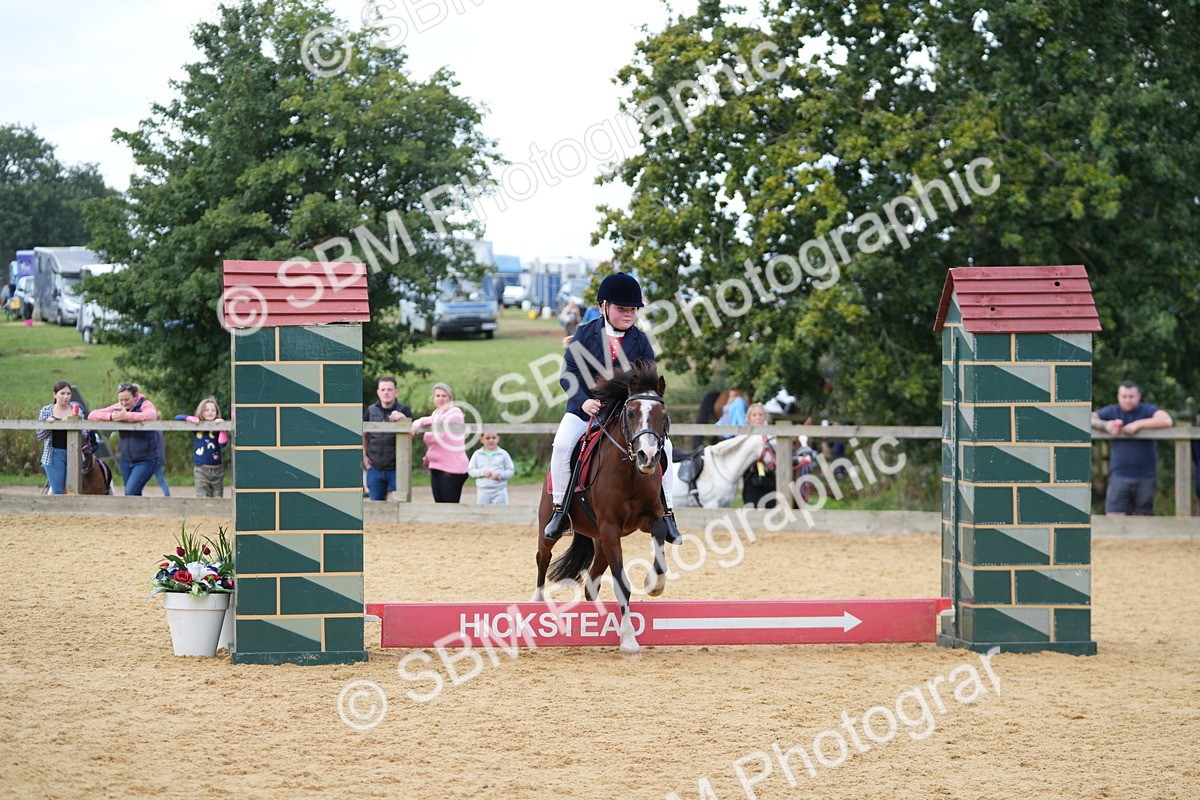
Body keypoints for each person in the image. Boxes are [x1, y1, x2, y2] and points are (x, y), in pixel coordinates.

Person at [543, 271, 682, 543]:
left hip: (626, 414)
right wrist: (583, 400)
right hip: (586, 410)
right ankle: (560, 511)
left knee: (666, 447)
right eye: (622, 309)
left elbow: (649, 381)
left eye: (633, 310)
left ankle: (667, 514)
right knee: (561, 445)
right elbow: (568, 374)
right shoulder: (585, 334)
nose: (628, 315)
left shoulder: (640, 340)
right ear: (603, 307)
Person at [1091, 380, 1174, 516]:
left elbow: (1166, 420)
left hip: (1146, 476)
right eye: (1124, 396)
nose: (1127, 400)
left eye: (1131, 396)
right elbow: (1090, 418)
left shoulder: (1146, 410)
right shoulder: (1112, 411)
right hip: (1119, 475)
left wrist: (1138, 424)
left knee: (1142, 517)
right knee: (1113, 516)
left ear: (1138, 396)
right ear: (1118, 396)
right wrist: (1105, 425)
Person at [88, 382, 162, 496]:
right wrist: (111, 416)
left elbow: (151, 416)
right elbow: (92, 415)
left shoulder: (145, 404)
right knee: (133, 494)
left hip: (146, 459)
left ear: (135, 396)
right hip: (126, 459)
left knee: (130, 491)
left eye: (126, 400)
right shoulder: (119, 407)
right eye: (121, 400)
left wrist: (126, 416)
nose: (123, 403)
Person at [410, 382, 469, 503]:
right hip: (436, 466)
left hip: (452, 468)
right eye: (437, 396)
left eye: (444, 396)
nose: (440, 398)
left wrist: (420, 421)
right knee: (439, 505)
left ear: (450, 398)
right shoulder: (436, 413)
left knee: (449, 506)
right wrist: (427, 459)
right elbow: (434, 441)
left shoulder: (455, 412)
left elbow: (440, 421)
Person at [362, 376, 413, 502]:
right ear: (378, 392)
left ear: (396, 391)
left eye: (389, 389)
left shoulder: (404, 410)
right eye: (383, 389)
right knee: (376, 506)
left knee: (401, 505)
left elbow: (412, 434)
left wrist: (403, 419)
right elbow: (363, 434)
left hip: (397, 468)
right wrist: (364, 456)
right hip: (374, 468)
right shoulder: (371, 410)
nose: (386, 392)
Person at [36, 381, 89, 494]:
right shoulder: (46, 410)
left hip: (74, 453)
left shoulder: (76, 410)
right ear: (54, 395)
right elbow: (40, 436)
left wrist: (72, 422)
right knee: (58, 490)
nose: (66, 397)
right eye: (62, 393)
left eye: (68, 394)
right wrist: (49, 426)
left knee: (72, 490)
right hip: (53, 454)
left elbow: (84, 434)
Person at [176, 397, 229, 497]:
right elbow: (178, 417)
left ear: (217, 412)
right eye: (206, 410)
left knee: (218, 498)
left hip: (217, 470)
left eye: (213, 410)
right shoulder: (197, 426)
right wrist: (192, 419)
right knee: (203, 497)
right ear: (201, 412)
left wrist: (222, 428)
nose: (210, 412)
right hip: (201, 469)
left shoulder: (217, 427)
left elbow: (222, 444)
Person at [741, 403, 778, 509]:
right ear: (749, 419)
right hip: (751, 480)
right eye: (754, 415)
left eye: (760, 415)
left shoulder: (771, 438)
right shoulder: (743, 438)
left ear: (765, 417)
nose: (758, 418)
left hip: (769, 480)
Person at [468, 432, 515, 505]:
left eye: (494, 438)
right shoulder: (477, 454)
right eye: (487, 438)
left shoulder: (503, 454)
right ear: (482, 440)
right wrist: (482, 473)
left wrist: (501, 475)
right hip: (483, 490)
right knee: (483, 511)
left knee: (500, 510)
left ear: (498, 439)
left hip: (499, 490)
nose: (491, 440)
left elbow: (510, 470)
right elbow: (471, 470)